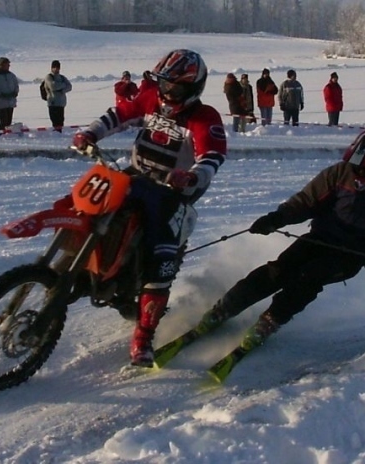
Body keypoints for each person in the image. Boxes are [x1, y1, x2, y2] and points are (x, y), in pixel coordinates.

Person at [191, 128, 365, 353]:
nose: (358, 172)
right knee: (277, 270)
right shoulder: (339, 173)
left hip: (353, 255)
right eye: (354, 165)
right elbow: (305, 202)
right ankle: (223, 309)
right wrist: (276, 219)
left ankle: (269, 321)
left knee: (309, 277)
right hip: (319, 239)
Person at [71, 49, 227, 367]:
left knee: (161, 256)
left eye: (175, 87)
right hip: (135, 176)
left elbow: (212, 156)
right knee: (87, 205)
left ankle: (143, 337)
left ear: (192, 88)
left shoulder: (204, 117)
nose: (167, 92)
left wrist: (192, 176)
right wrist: (90, 132)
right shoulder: (150, 99)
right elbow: (120, 114)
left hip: (171, 192)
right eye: (164, 84)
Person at [43, 60, 72, 131]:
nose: (56, 69)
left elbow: (69, 86)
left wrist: (62, 90)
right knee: (55, 122)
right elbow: (53, 86)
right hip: (53, 103)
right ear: (51, 68)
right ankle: (56, 134)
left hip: (61, 104)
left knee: (60, 122)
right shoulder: (49, 77)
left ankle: (59, 133)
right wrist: (63, 85)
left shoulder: (62, 77)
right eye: (54, 67)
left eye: (58, 67)